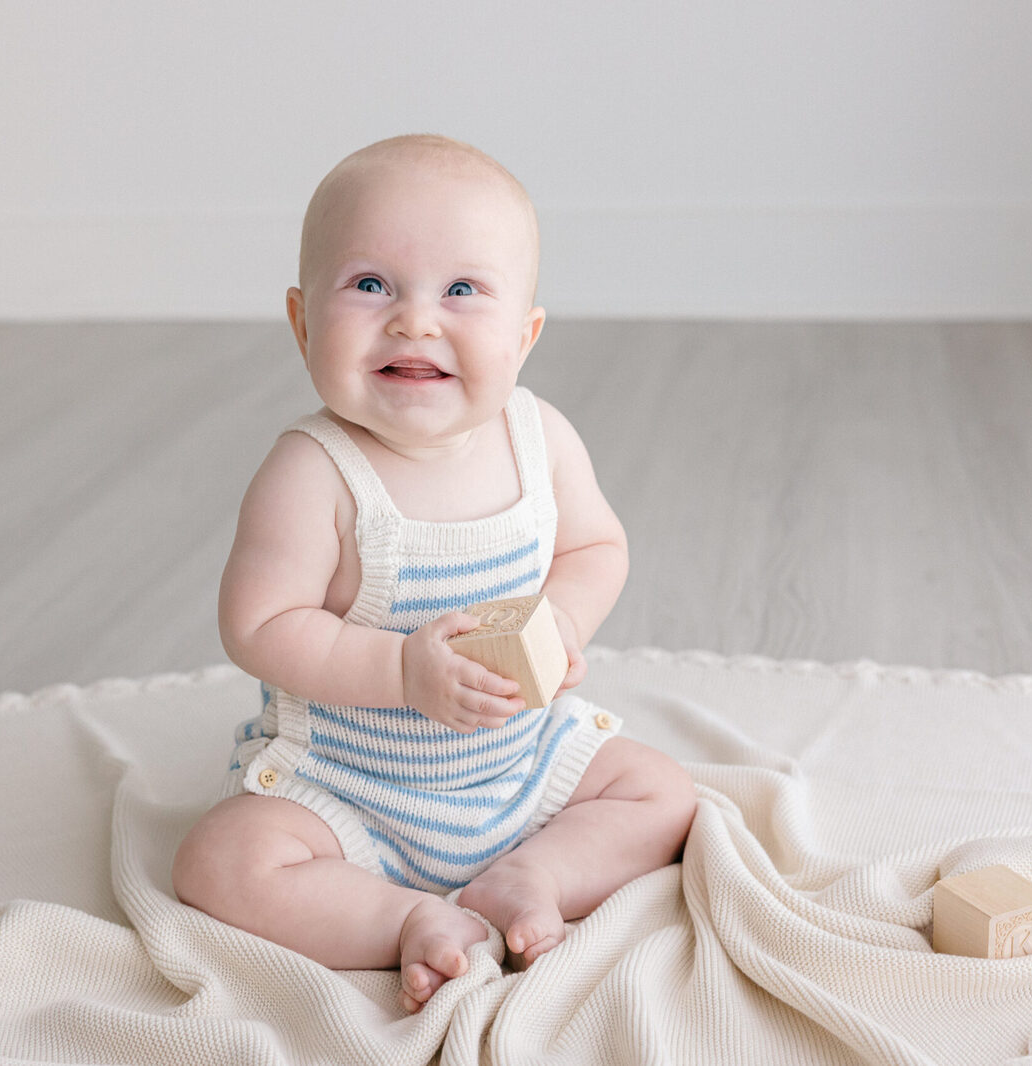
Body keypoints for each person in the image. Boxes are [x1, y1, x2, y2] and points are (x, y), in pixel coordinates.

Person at [172, 133, 697, 1013]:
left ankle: (531, 875)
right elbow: (260, 623)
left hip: (518, 764)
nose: (416, 320)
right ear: (304, 324)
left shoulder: (540, 440)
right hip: (351, 791)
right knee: (220, 861)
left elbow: (595, 549)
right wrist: (401, 670)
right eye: (371, 284)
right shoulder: (316, 471)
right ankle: (402, 918)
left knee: (662, 793)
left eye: (462, 291)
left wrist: (561, 622)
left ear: (524, 337)